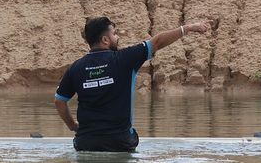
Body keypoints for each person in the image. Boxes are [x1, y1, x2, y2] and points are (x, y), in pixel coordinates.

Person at [53, 16, 211, 152]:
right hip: (120, 143)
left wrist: (73, 126)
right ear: (105, 40)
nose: (117, 38)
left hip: (85, 143)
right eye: (114, 34)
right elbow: (157, 42)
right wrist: (188, 28)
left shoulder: (75, 68)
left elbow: (59, 101)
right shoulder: (124, 59)